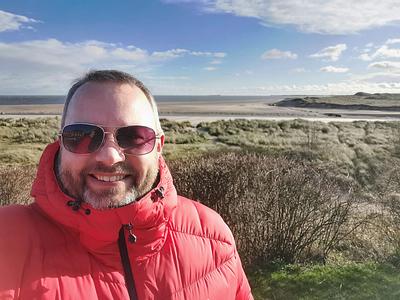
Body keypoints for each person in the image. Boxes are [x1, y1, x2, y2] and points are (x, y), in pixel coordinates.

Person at [0, 70, 253, 300]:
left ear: (159, 147)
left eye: (134, 137)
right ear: (60, 145)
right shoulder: (9, 239)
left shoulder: (213, 238)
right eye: (83, 136)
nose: (109, 156)